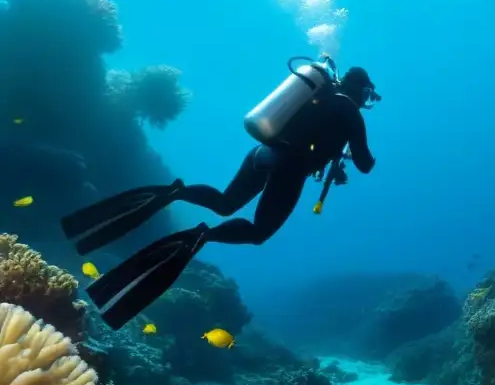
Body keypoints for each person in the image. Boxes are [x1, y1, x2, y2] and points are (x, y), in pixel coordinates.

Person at [61, 65, 379, 330]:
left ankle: (176, 192)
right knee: (258, 232)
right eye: (367, 95)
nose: (366, 102)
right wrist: (363, 154)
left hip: (262, 152)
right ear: (359, 90)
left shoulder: (318, 98)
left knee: (226, 203)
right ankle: (203, 235)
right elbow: (364, 163)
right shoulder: (349, 111)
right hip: (289, 166)